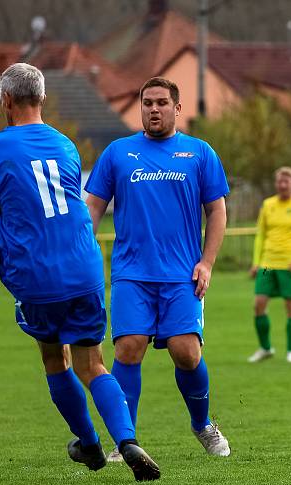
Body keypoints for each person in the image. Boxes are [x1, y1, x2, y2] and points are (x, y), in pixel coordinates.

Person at [0, 63, 160, 482]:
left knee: (55, 359)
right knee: (94, 365)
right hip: (84, 266)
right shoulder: (67, 146)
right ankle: (126, 440)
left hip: (37, 276)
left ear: (6, 101)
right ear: (43, 99)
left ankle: (89, 445)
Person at [85, 77, 231, 462]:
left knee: (187, 353)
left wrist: (207, 262)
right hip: (132, 273)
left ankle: (203, 425)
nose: (153, 109)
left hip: (182, 274)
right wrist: (81, 247)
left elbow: (217, 210)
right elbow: (94, 207)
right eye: (147, 102)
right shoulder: (118, 153)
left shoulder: (199, 153)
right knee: (128, 348)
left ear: (177, 109)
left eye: (162, 102)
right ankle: (124, 439)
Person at [248, 166, 291, 364]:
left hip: (289, 265)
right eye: (279, 181)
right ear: (276, 184)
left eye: (286, 181)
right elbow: (260, 235)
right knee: (259, 304)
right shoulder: (267, 205)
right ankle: (265, 348)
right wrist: (256, 262)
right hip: (267, 265)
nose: (282, 184)